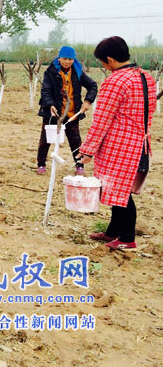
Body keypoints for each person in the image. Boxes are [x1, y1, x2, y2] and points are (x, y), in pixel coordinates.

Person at [77, 36, 156, 250]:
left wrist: (88, 151)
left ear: (110, 60)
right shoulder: (145, 76)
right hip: (140, 144)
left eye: (102, 61)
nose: (103, 65)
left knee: (121, 193)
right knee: (118, 189)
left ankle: (127, 239)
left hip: (120, 146)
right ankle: (113, 231)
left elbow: (102, 120)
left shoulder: (115, 81)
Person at [36, 46, 97, 175]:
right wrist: (51, 104)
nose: (67, 62)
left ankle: (79, 166)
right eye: (64, 59)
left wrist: (87, 101)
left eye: (70, 59)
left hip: (72, 113)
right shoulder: (51, 72)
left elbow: (93, 85)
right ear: (59, 58)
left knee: (75, 140)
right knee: (45, 139)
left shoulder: (77, 72)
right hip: (53, 113)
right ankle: (41, 164)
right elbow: (45, 91)